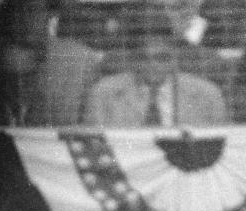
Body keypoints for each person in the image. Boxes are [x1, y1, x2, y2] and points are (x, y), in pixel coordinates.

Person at [82, 3, 229, 126]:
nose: (152, 66)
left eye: (162, 58)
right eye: (143, 58)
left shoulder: (208, 96)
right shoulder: (103, 94)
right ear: (132, 59)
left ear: (175, 57)